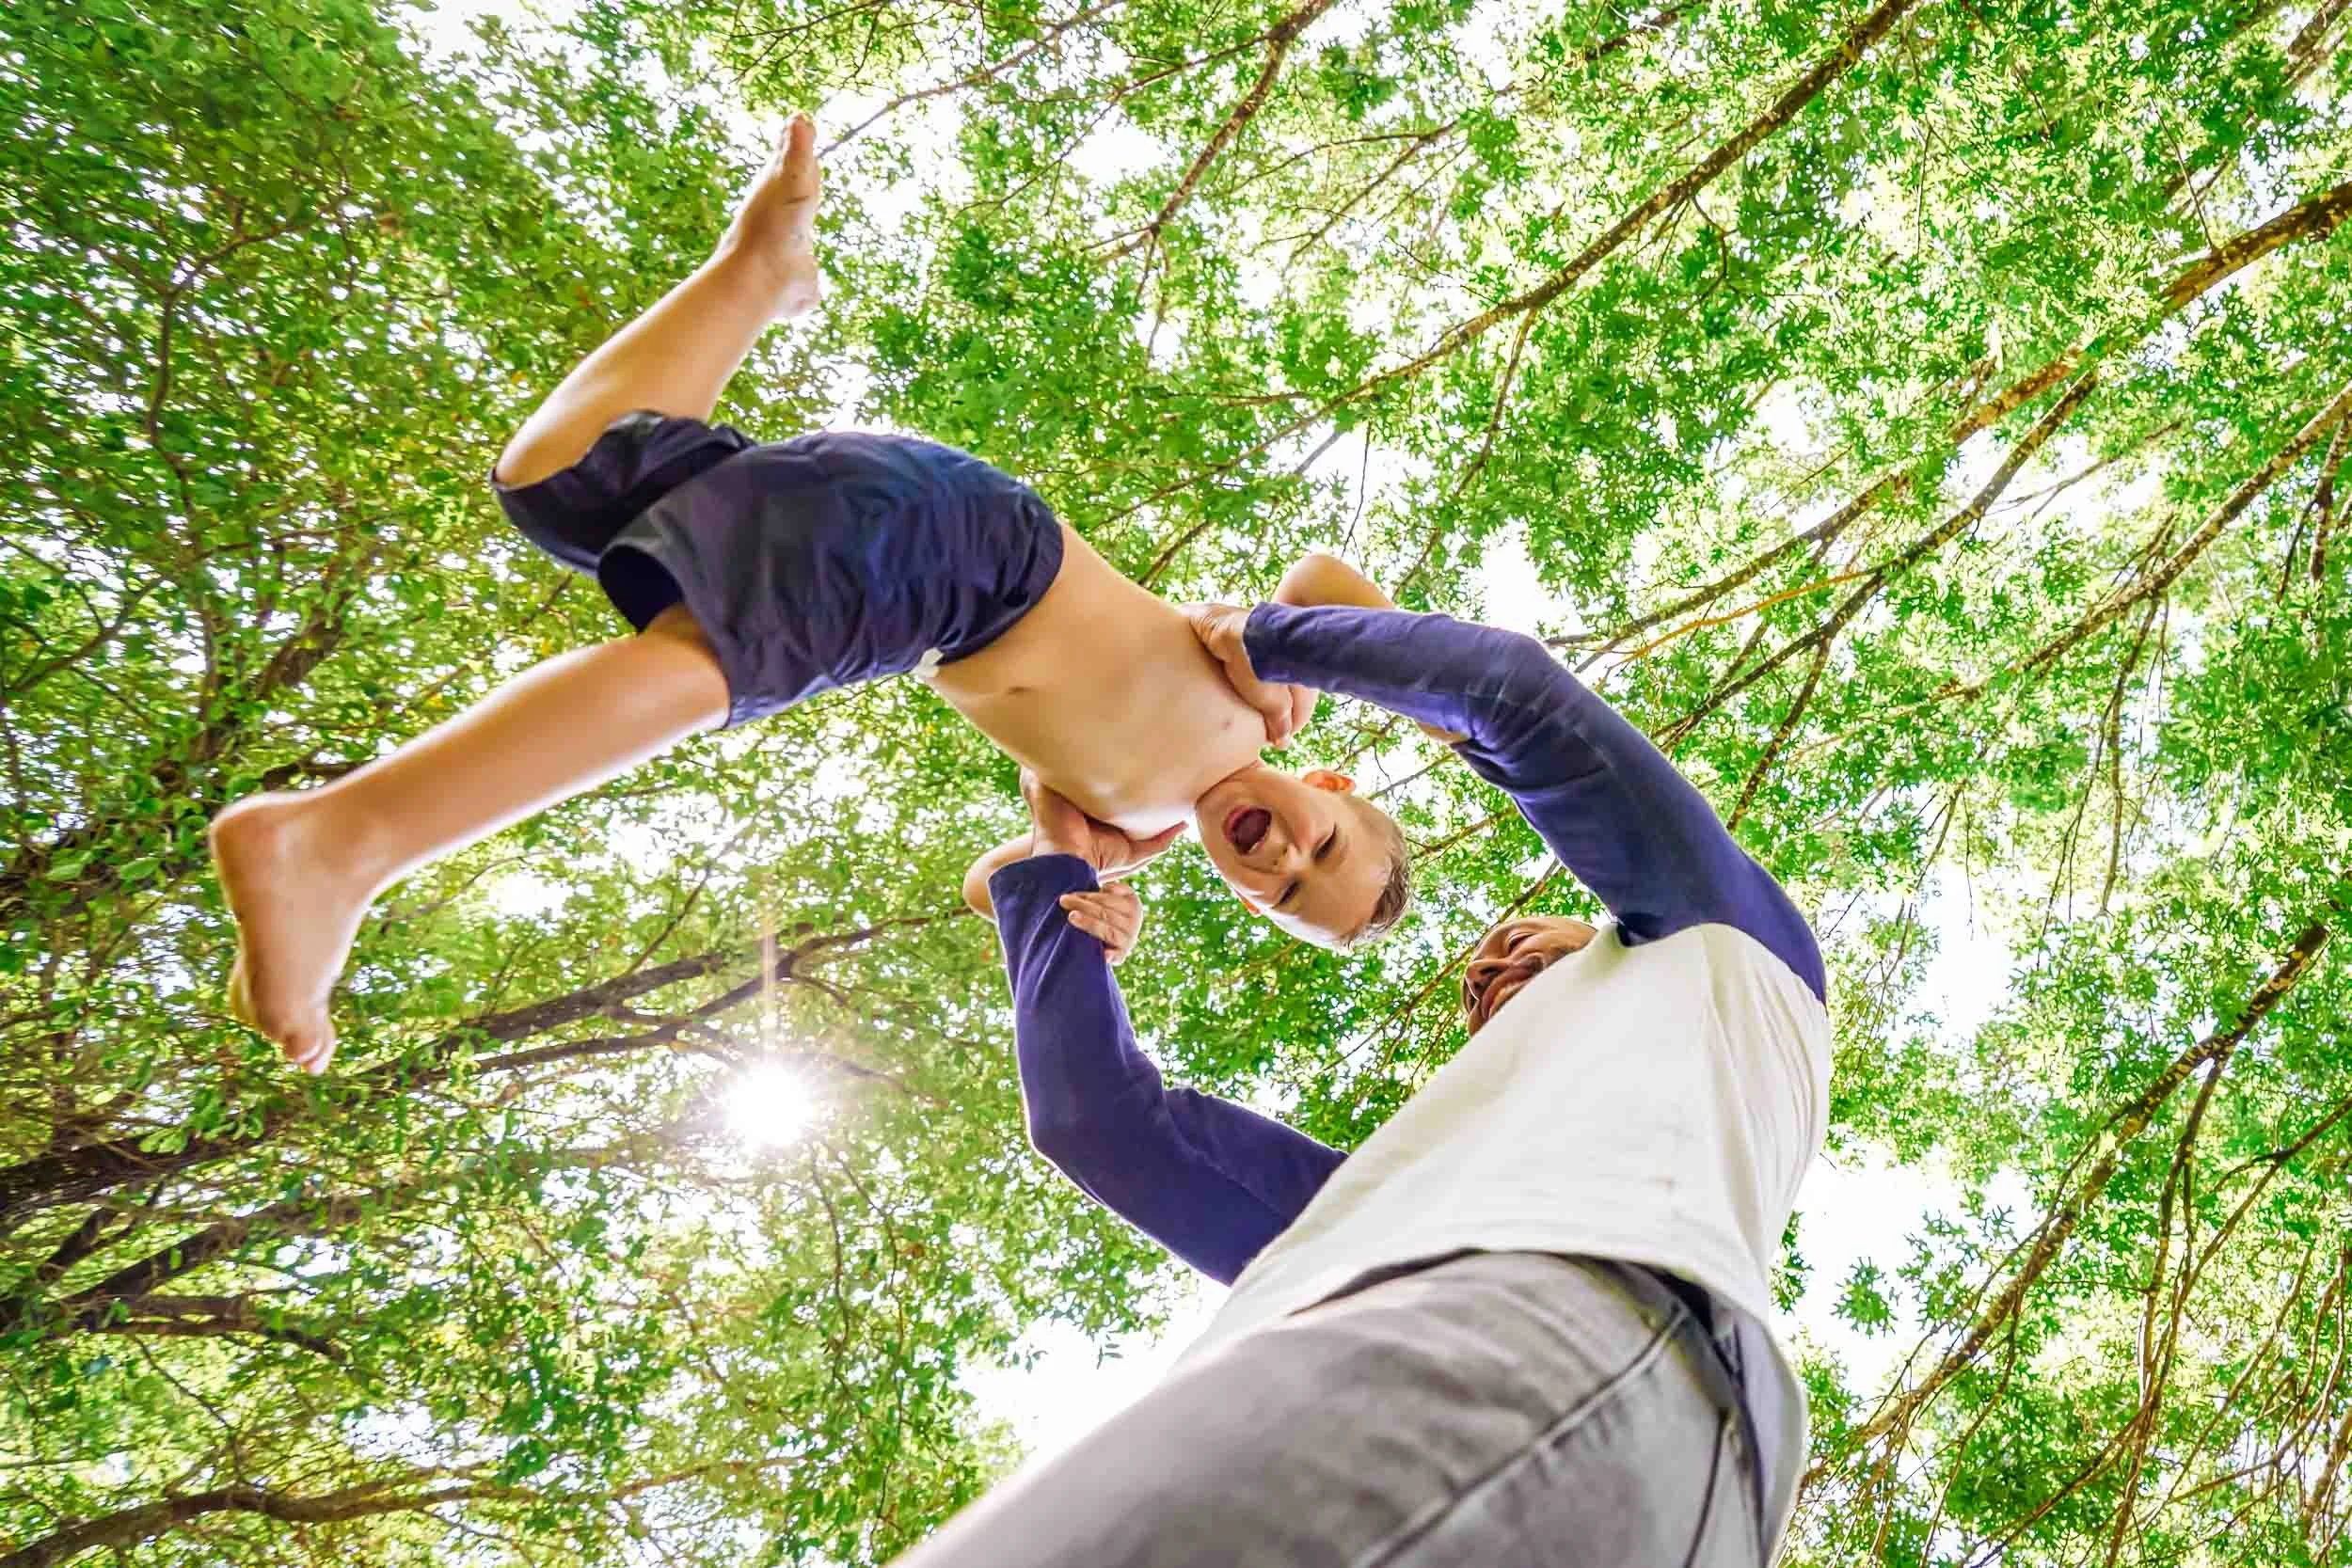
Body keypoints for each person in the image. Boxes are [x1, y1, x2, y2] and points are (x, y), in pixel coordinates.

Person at [206, 115, 1412, 1075]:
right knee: (708, 670)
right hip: (975, 560)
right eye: (1329, 841)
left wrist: (1075, 884)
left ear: (1245, 898)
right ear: (1334, 788)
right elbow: (1319, 580)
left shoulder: (1135, 833)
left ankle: (755, 277)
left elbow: (986, 881)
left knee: (565, 483)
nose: (1287, 855)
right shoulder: (1262, 703)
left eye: (1288, 895)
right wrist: (1352, 668)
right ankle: (338, 838)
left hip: (906, 575)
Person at [914, 599, 1830, 1566]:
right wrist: (1063, 867)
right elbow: (1094, 1121)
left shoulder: (1724, 945)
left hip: (1587, 1334)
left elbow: (1514, 696)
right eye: (1475, 998)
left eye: (1534, 955)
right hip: (1360, 1347)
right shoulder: (1382, 1197)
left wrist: (1258, 641)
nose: (1487, 966)